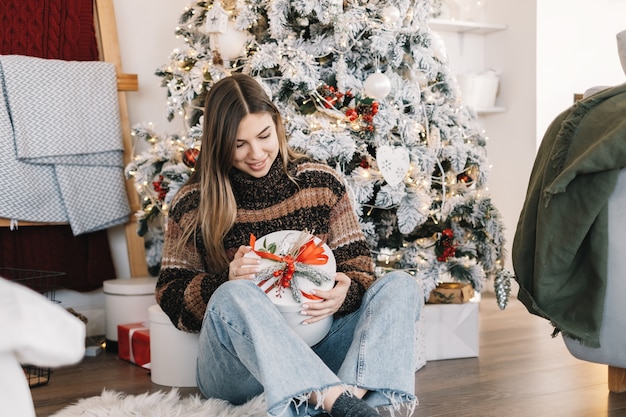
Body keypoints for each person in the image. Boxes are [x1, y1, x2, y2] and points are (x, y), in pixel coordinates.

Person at [156, 73, 423, 417]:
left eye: (264, 136)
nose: (256, 154)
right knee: (233, 295)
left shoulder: (319, 182)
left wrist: (347, 290)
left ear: (277, 125)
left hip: (320, 348)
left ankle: (346, 400)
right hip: (242, 372)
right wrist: (225, 281)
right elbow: (169, 293)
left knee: (400, 285)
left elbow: (359, 268)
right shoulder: (194, 202)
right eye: (239, 145)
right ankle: (338, 403)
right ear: (218, 144)